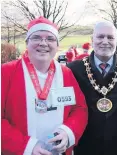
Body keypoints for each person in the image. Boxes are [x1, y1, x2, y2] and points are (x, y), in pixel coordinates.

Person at [1, 16, 88, 155]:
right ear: (27, 43)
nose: (43, 43)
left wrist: (68, 132)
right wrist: (28, 147)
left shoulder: (66, 73)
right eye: (36, 38)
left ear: (57, 45)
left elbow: (79, 109)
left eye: (50, 39)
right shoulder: (6, 73)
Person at [67, 21, 117, 155]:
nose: (105, 41)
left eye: (110, 37)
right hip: (85, 147)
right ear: (92, 40)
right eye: (100, 37)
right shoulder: (74, 69)